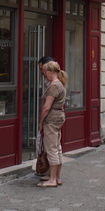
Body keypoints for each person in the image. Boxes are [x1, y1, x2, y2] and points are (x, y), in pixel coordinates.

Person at [37, 59, 67, 187]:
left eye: (45, 72)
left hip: (51, 119)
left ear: (50, 72)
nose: (44, 74)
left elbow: (46, 107)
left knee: (51, 149)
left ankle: (52, 179)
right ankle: (58, 178)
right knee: (57, 147)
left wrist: (41, 122)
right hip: (58, 117)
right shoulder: (60, 83)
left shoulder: (54, 86)